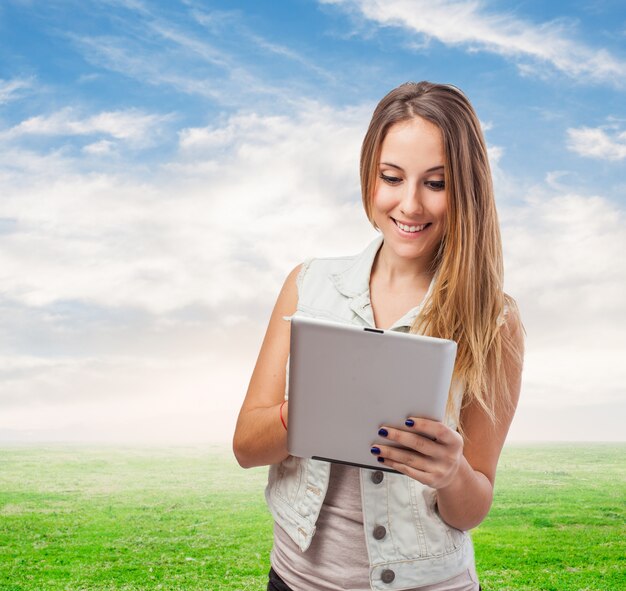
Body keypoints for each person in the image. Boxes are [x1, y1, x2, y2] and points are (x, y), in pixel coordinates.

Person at [233, 81, 525, 591]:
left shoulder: (494, 320)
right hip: (297, 580)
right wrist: (307, 410)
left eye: (436, 183)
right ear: (370, 175)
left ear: (467, 190)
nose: (409, 204)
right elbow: (245, 447)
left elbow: (472, 508)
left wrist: (451, 471)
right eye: (392, 177)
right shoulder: (309, 284)